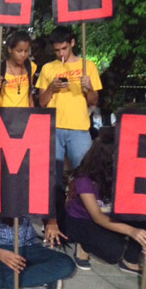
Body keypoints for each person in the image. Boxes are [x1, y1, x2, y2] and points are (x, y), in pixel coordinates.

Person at [66, 128, 146, 279]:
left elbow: (139, 205)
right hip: (83, 220)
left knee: (145, 219)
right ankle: (83, 245)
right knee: (112, 252)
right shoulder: (84, 177)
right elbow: (97, 217)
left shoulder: (126, 170)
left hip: (110, 214)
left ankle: (130, 262)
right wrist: (131, 231)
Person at [35, 26, 102, 188]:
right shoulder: (48, 68)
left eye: (64, 49)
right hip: (53, 128)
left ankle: (80, 210)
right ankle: (56, 210)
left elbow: (93, 101)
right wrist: (51, 88)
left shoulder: (88, 66)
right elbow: (42, 103)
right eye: (57, 50)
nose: (61, 54)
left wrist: (90, 87)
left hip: (79, 127)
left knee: (83, 174)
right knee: (53, 176)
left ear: (72, 43)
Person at [0, 191, 75, 289]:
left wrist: (51, 222)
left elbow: (45, 205)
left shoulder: (27, 187)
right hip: (0, 248)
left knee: (66, 264)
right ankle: (39, 278)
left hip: (29, 247)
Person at [0, 32, 36, 108]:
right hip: (2, 115)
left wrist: (32, 113)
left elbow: (29, 95)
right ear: (10, 49)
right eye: (19, 51)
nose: (23, 55)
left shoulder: (30, 66)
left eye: (26, 51)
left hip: (23, 116)